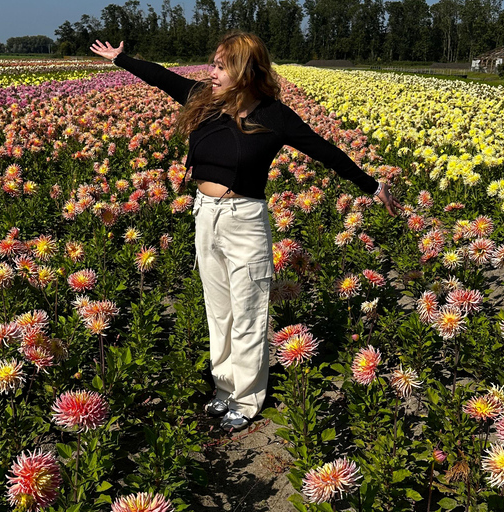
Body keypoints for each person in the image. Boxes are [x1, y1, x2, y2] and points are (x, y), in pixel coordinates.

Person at [90, 32, 401, 432]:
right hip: (205, 215)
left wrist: (374, 187)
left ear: (243, 71)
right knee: (218, 311)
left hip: (245, 220)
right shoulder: (203, 99)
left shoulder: (275, 117)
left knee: (249, 313)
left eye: (220, 66)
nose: (211, 72)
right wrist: (121, 59)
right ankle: (223, 390)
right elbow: (161, 77)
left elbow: (325, 151)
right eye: (214, 64)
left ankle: (247, 399)